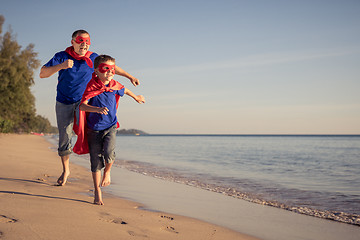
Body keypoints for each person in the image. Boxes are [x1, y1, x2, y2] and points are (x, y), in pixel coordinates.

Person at [39, 30, 139, 186]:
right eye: (80, 41)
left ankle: (100, 164)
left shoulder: (93, 58)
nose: (84, 44)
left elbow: (111, 68)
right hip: (63, 102)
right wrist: (61, 66)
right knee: (65, 136)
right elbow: (43, 73)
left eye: (87, 42)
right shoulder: (61, 56)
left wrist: (130, 77)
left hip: (84, 103)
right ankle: (66, 170)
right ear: (73, 42)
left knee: (91, 132)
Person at [73, 54, 145, 205]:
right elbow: (82, 105)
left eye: (112, 69)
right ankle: (97, 191)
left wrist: (136, 97)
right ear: (97, 71)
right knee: (95, 161)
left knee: (109, 153)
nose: (110, 72)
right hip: (94, 129)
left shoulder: (114, 85)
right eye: (105, 69)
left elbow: (124, 90)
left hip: (111, 126)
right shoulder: (91, 86)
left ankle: (107, 173)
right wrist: (96, 109)